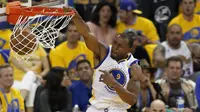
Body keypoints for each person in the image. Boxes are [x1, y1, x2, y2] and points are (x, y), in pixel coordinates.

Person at [64, 7, 147, 112]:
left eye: (120, 46)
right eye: (115, 42)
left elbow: (132, 100)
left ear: (128, 49)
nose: (115, 47)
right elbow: (86, 34)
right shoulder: (104, 51)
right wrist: (76, 17)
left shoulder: (134, 67)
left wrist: (114, 84)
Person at [9, 45, 50, 112]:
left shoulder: (39, 49)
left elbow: (47, 68)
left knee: (30, 75)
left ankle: (19, 103)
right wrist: (36, 74)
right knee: (32, 86)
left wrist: (40, 76)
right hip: (17, 80)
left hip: (35, 79)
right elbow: (20, 66)